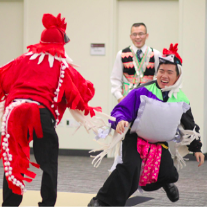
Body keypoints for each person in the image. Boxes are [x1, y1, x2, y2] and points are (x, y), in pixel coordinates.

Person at [0, 13, 101, 206]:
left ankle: (9, 204)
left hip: (14, 111)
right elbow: (83, 92)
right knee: (48, 162)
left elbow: (2, 79)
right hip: (40, 112)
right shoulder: (62, 66)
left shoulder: (21, 60)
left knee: (13, 158)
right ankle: (47, 203)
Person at [88, 43, 205, 206]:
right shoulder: (142, 91)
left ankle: (166, 182)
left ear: (177, 76)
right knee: (130, 168)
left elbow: (190, 125)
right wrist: (121, 120)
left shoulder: (182, 99)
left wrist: (197, 148)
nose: (164, 75)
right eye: (161, 71)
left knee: (169, 174)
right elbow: (120, 110)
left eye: (169, 72)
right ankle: (101, 201)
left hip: (159, 144)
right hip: (135, 139)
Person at [111, 22, 161, 103]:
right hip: (127, 98)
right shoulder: (122, 54)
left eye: (141, 34)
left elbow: (160, 78)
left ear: (146, 35)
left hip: (149, 99)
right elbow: (115, 79)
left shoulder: (155, 54)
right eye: (134, 34)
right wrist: (120, 98)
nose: (137, 37)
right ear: (130, 36)